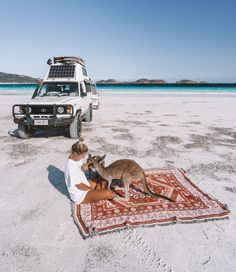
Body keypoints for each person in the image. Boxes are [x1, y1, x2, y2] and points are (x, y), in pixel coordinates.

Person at [64, 139, 116, 204]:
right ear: (75, 153)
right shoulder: (70, 167)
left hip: (85, 184)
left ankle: (97, 194)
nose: (83, 157)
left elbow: (80, 168)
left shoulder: (76, 158)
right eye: (82, 155)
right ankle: (98, 194)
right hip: (80, 195)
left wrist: (85, 167)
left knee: (104, 176)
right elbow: (79, 186)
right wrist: (90, 189)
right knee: (109, 193)